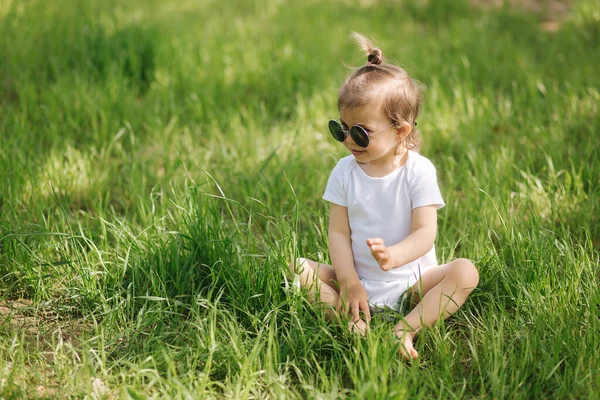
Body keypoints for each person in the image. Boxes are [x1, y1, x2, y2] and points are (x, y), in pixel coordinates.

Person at [288, 33, 479, 360]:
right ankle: (350, 316)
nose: (349, 140)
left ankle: (404, 328)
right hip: (359, 277)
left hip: (413, 284)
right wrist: (348, 281)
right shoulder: (344, 172)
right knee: (294, 268)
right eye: (341, 129)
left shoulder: (417, 171)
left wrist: (394, 256)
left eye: (361, 132)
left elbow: (425, 232)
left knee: (465, 272)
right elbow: (338, 232)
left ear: (400, 130)